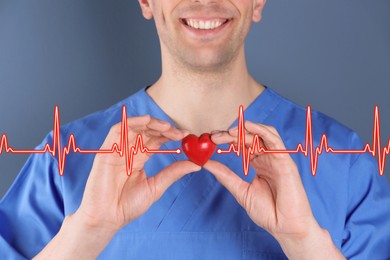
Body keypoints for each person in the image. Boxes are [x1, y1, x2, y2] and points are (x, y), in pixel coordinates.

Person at [1, 0, 389, 259]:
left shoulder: (346, 161)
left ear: (258, 2)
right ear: (147, 1)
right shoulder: (66, 158)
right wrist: (86, 233)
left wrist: (305, 241)